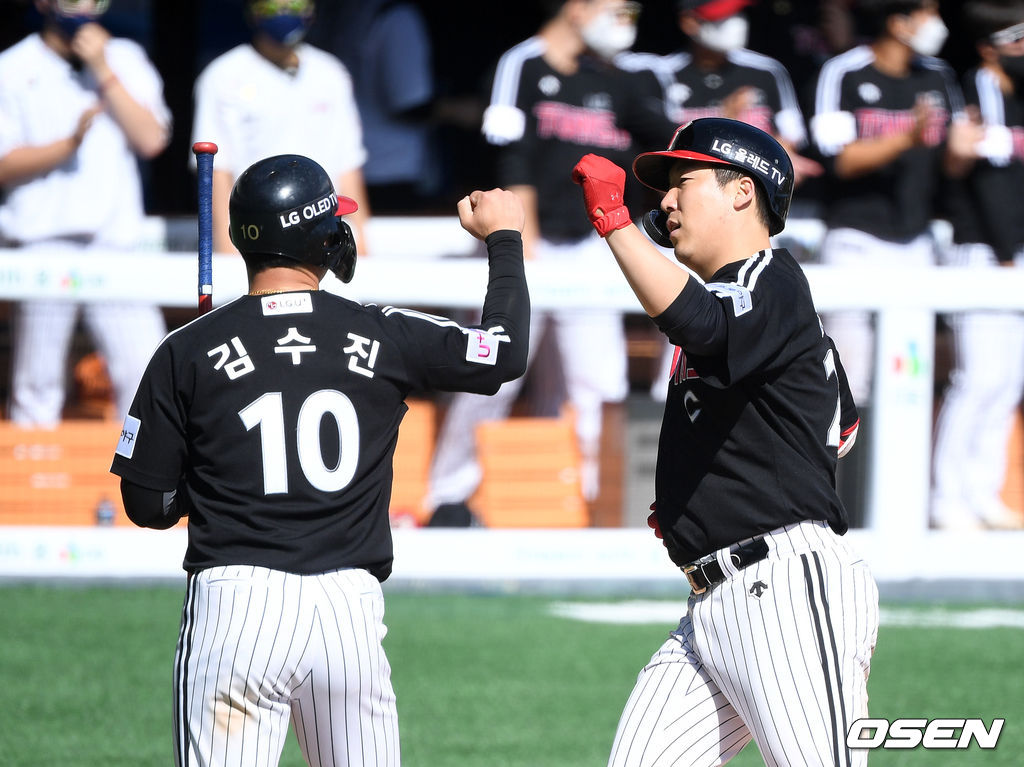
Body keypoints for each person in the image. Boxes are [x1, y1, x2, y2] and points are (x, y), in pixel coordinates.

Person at [109, 153, 529, 767]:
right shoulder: (383, 333)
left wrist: (208, 479)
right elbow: (506, 354)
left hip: (235, 607)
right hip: (348, 612)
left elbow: (146, 504)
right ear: (324, 236)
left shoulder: (186, 350)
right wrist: (505, 241)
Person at [572, 117, 877, 765]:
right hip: (713, 602)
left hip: (783, 588)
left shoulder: (770, 275)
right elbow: (841, 429)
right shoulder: (759, 302)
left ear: (742, 191)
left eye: (683, 181)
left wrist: (616, 223)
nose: (666, 201)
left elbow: (705, 327)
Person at [424, 0, 674, 524]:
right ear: (578, 8)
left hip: (590, 246)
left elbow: (664, 138)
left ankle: (592, 503)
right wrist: (519, 253)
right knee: (492, 374)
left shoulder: (623, 75)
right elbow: (512, 162)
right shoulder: (523, 64)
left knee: (598, 382)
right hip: (525, 241)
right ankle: (446, 496)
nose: (625, 21)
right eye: (616, 10)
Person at [616, 0, 823, 400]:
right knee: (676, 380)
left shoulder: (765, 70)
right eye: (719, 18)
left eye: (736, 15)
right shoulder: (657, 72)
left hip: (741, 231)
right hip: (696, 243)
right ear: (689, 21)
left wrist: (614, 224)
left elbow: (788, 148)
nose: (732, 25)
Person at [0, 0, 170, 427]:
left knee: (144, 375)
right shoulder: (12, 67)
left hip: (115, 246)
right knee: (36, 385)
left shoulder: (125, 58)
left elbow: (152, 140)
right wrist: (67, 145)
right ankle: (34, 488)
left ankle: (134, 487)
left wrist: (104, 71)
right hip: (42, 243)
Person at [931, 0, 1024, 531]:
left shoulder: (1016, 94)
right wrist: (1008, 254)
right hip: (981, 250)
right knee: (978, 376)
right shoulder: (974, 91)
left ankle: (983, 490)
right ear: (991, 46)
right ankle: (949, 499)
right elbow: (984, 181)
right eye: (1018, 39)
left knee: (1007, 379)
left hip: (1013, 253)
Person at [191, 0, 371, 254]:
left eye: (294, 5)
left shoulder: (332, 73)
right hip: (260, 236)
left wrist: (360, 243)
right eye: (275, 7)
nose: (285, 12)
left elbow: (348, 164)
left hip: (326, 231)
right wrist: (227, 250)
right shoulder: (222, 76)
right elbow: (216, 171)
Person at [309, 0, 440, 213]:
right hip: (390, 171)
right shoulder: (397, 16)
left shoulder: (336, 10)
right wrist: (463, 111)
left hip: (345, 171)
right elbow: (410, 102)